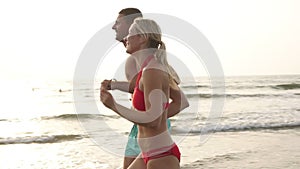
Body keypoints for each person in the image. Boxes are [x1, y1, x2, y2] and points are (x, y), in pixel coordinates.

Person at [105, 8, 189, 168]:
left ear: (142, 38)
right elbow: (180, 102)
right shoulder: (148, 68)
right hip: (148, 153)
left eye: (130, 33)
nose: (126, 38)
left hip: (161, 155)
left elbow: (153, 119)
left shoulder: (152, 71)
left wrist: (113, 106)